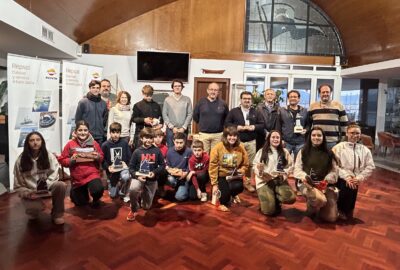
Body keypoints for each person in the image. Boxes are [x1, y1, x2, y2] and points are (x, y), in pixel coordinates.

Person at [14, 131, 66, 225]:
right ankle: (33, 210)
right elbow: (19, 184)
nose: (35, 142)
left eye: (38, 140)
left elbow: (54, 174)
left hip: (46, 187)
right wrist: (28, 193)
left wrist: (44, 186)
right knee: (33, 216)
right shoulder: (20, 160)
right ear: (27, 143)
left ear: (42, 142)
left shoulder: (49, 156)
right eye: (32, 140)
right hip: (31, 191)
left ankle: (57, 214)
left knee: (61, 185)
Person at [294, 127, 339, 222]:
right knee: (320, 200)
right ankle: (312, 207)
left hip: (324, 185)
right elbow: (297, 169)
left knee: (331, 218)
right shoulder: (303, 151)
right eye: (313, 135)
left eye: (319, 135)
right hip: (307, 184)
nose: (316, 137)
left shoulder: (330, 153)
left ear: (323, 137)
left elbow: (334, 171)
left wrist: (326, 180)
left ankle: (319, 205)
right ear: (310, 137)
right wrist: (304, 177)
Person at [332, 123, 375, 220]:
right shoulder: (338, 147)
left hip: (356, 178)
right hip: (341, 177)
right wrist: (347, 177)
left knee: (352, 185)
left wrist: (359, 178)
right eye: (352, 133)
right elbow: (334, 166)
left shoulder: (364, 150)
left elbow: (370, 166)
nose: (355, 135)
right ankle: (341, 209)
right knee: (348, 185)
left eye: (357, 133)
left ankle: (347, 209)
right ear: (347, 133)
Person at [58, 120, 105, 207]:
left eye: (85, 130)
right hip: (78, 177)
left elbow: (101, 157)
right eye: (80, 130)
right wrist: (71, 160)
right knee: (81, 203)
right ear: (75, 132)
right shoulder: (70, 144)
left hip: (92, 174)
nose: (83, 133)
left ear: (88, 131)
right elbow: (62, 160)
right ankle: (75, 192)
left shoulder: (94, 144)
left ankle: (95, 199)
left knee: (97, 189)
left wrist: (97, 157)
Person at [225, 91, 264, 192]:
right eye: (245, 98)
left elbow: (262, 125)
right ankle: (230, 181)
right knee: (232, 162)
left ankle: (247, 182)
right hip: (236, 142)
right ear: (241, 100)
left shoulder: (256, 112)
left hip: (251, 142)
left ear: (251, 100)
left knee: (250, 164)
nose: (247, 100)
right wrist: (237, 127)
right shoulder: (233, 111)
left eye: (249, 99)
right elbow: (227, 123)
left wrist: (253, 127)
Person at [253, 131, 296, 216]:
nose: (275, 139)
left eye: (277, 137)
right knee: (268, 211)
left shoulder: (285, 152)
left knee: (290, 198)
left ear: (280, 139)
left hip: (279, 180)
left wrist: (284, 174)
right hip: (264, 181)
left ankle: (275, 198)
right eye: (273, 137)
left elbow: (290, 166)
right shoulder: (262, 151)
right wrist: (260, 170)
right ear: (269, 139)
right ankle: (267, 198)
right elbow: (255, 166)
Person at [127, 127, 165, 221]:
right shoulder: (137, 152)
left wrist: (154, 173)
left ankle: (143, 194)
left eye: (150, 138)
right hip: (139, 178)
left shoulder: (157, 151)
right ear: (141, 138)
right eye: (146, 137)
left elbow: (162, 165)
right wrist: (137, 176)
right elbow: (131, 168)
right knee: (133, 188)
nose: (148, 140)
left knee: (146, 207)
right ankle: (133, 208)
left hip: (151, 180)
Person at [209, 126, 249, 212]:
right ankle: (222, 200)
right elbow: (213, 166)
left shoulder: (241, 147)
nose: (232, 138)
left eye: (234, 135)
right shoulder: (218, 147)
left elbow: (245, 164)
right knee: (225, 197)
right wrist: (214, 183)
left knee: (239, 187)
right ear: (225, 136)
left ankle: (232, 194)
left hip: (234, 175)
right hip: (222, 175)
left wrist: (241, 171)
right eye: (230, 135)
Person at [307, 84, 348, 149]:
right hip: (316, 141)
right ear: (319, 93)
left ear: (330, 93)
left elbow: (344, 125)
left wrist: (342, 140)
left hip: (333, 142)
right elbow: (308, 124)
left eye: (327, 92)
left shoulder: (339, 106)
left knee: (332, 159)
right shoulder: (312, 106)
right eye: (323, 92)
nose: (325, 94)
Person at [193, 82, 229, 153]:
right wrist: (203, 124)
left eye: (215, 90)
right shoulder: (201, 102)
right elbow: (195, 116)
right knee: (204, 156)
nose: (213, 92)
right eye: (211, 89)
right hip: (204, 135)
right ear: (207, 90)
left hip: (218, 135)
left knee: (216, 156)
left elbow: (227, 118)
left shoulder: (223, 103)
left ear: (218, 92)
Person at [101, 122, 132, 199]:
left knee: (126, 177)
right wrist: (108, 167)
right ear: (110, 133)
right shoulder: (105, 145)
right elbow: (102, 160)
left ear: (120, 133)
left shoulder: (124, 143)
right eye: (113, 132)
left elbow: (129, 156)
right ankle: (112, 184)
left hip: (122, 168)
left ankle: (123, 188)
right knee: (113, 195)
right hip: (112, 171)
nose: (115, 135)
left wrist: (126, 165)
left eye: (117, 132)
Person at [75, 80, 108, 145]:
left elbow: (104, 120)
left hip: (100, 136)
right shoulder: (83, 102)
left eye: (97, 88)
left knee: (99, 155)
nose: (95, 90)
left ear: (100, 89)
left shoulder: (103, 103)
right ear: (90, 88)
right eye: (93, 87)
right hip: (86, 136)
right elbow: (77, 120)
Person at [162, 79, 193, 147]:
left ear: (182, 87)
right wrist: (172, 127)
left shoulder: (187, 99)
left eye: (179, 86)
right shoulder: (167, 99)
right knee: (171, 150)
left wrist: (184, 127)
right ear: (172, 88)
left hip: (183, 129)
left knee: (183, 149)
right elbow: (164, 114)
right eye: (175, 86)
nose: (177, 87)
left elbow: (190, 114)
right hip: (171, 130)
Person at [278, 90, 308, 159]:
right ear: (288, 99)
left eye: (295, 97)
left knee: (299, 163)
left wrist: (306, 130)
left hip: (300, 142)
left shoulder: (304, 111)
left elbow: (308, 124)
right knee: (284, 162)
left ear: (299, 99)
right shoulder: (282, 110)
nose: (293, 98)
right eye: (291, 97)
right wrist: (280, 139)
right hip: (286, 141)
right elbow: (278, 125)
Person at [165, 132, 193, 201]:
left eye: (181, 143)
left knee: (179, 197)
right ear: (173, 141)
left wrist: (186, 173)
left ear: (185, 142)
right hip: (173, 176)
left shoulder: (189, 151)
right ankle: (176, 186)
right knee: (170, 179)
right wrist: (170, 170)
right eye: (177, 142)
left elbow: (191, 166)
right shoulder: (169, 151)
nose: (179, 145)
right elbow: (168, 166)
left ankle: (184, 187)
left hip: (184, 177)